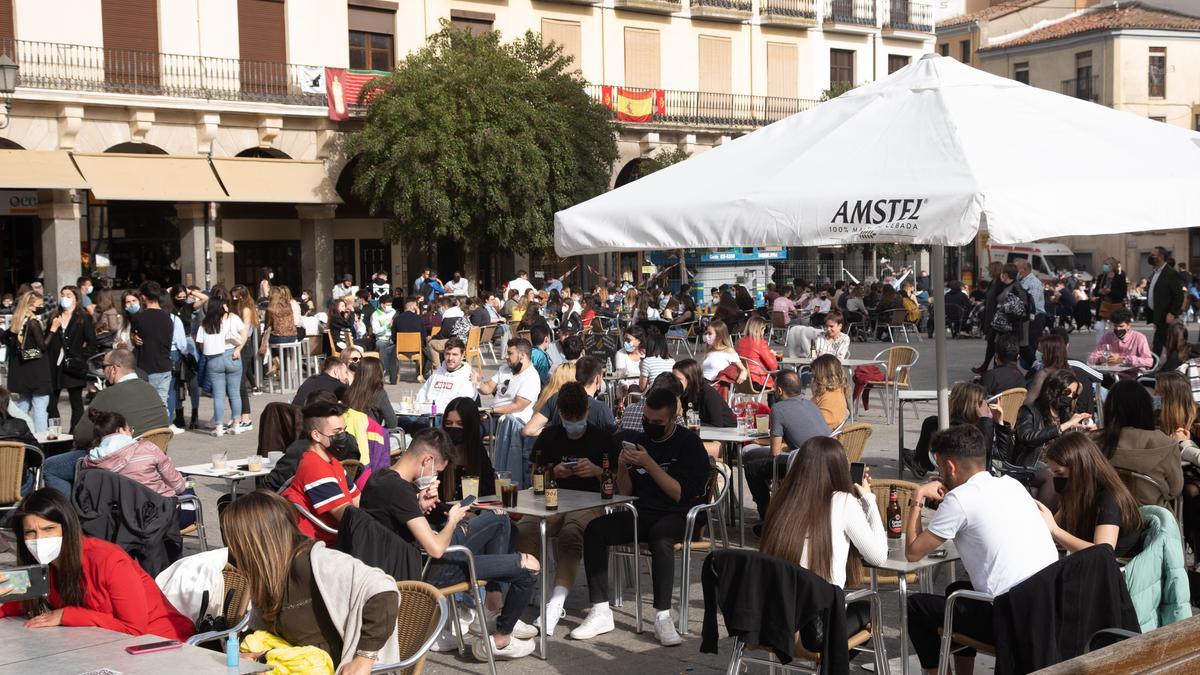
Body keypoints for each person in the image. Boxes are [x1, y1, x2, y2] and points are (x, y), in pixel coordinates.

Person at [361, 429, 539, 661]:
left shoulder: (379, 479)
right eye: (437, 470)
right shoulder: (400, 491)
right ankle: (500, 640)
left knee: (499, 517)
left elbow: (398, 524)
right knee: (529, 567)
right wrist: (453, 520)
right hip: (426, 570)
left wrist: (421, 505)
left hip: (405, 563)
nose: (435, 476)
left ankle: (491, 609)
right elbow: (436, 548)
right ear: (427, 460)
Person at [904, 425, 1059, 675]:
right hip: (1047, 607)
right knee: (957, 590)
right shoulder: (1012, 485)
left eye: (940, 467)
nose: (940, 474)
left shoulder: (959, 501)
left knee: (915, 607)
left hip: (1010, 618)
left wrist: (918, 496)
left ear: (951, 466)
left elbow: (912, 552)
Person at [570, 388, 710, 647]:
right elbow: (625, 492)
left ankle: (662, 616)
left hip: (680, 514)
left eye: (657, 422)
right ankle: (600, 610)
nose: (650, 425)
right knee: (595, 529)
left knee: (661, 536)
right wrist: (622, 465)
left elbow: (678, 494)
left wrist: (649, 464)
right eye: (646, 419)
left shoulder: (689, 444)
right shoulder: (639, 440)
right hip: (643, 511)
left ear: (672, 419)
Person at [221, 490, 398, 673]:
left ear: (254, 544)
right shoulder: (268, 574)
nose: (232, 553)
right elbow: (260, 629)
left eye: (234, 544)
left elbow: (384, 591)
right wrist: (247, 653)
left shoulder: (314, 563)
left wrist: (364, 659)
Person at [1, 488, 194, 641]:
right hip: (100, 646)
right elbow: (15, 605)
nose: (39, 539)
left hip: (160, 644)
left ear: (68, 527)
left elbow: (134, 628)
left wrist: (67, 615)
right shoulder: (39, 566)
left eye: (49, 529)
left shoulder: (108, 559)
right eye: (30, 533)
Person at [519, 382, 621, 635]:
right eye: (568, 418)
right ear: (560, 414)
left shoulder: (602, 438)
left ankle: (556, 601)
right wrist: (554, 471)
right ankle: (523, 591)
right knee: (525, 529)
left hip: (591, 501)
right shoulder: (550, 435)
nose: (573, 423)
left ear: (587, 410)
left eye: (578, 417)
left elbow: (619, 480)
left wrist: (598, 472)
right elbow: (535, 476)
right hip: (554, 499)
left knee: (572, 533)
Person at [760, 436, 886, 597]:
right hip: (821, 610)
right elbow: (878, 557)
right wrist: (868, 499)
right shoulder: (844, 501)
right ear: (839, 468)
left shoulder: (782, 498)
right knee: (866, 610)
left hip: (781, 606)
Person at [77, 408, 194, 525]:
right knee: (187, 483)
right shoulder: (148, 449)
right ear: (121, 430)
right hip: (158, 518)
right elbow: (178, 487)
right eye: (130, 429)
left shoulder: (90, 462)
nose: (131, 433)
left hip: (118, 522)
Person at [1038, 432, 1145, 557]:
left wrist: (1055, 531)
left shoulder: (1109, 497)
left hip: (1117, 569)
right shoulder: (1078, 494)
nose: (1056, 480)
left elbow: (1103, 552)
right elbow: (1052, 526)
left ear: (1080, 468)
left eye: (1060, 474)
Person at [742, 370, 830, 522]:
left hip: (804, 464)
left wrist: (758, 443)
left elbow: (775, 453)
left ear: (780, 390)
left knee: (751, 464)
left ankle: (767, 519)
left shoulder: (778, 408)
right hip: (826, 461)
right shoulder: (811, 405)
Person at [281, 401, 361, 543]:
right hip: (324, 546)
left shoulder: (332, 462)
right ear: (316, 435)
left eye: (344, 430)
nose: (343, 436)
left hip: (339, 539)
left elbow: (358, 500)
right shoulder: (315, 468)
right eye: (337, 432)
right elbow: (348, 516)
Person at [1096, 380, 1183, 506]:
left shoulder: (1094, 442)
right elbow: (1175, 489)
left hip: (1102, 516)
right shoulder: (1165, 442)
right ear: (1146, 407)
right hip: (1152, 518)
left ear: (1109, 408)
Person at [1013, 368, 1092, 508]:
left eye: (1073, 395)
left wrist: (1086, 433)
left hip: (1055, 464)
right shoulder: (1030, 411)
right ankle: (1045, 524)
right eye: (1067, 392)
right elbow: (1027, 437)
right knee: (1053, 475)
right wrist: (1064, 426)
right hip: (1031, 465)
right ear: (1054, 388)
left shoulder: (1064, 414)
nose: (1069, 397)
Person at [904, 382, 1011, 479]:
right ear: (975, 406)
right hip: (971, 482)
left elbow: (1000, 456)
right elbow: (998, 455)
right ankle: (917, 460)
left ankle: (917, 462)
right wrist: (992, 422)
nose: (987, 407)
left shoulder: (981, 426)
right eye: (984, 403)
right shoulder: (974, 428)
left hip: (970, 483)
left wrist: (999, 422)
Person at [523, 355, 616, 436]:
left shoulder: (555, 398)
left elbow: (528, 430)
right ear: (598, 378)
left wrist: (553, 433)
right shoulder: (601, 409)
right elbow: (613, 444)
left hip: (559, 455)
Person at [194, 298, 247, 437]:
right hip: (232, 356)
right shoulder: (233, 318)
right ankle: (236, 425)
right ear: (222, 306)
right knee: (235, 394)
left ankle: (218, 427)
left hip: (213, 359)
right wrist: (239, 349)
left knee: (218, 395)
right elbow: (244, 334)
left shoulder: (205, 323)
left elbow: (200, 343)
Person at [46, 285, 96, 431]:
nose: (65, 298)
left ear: (76, 298)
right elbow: (47, 340)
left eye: (69, 295)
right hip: (55, 364)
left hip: (74, 364)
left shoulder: (83, 317)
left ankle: (75, 434)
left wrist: (81, 357)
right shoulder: (54, 316)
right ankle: (55, 433)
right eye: (63, 295)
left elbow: (92, 342)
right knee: (51, 403)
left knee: (76, 403)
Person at [2, 291, 51, 432]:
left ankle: (16, 433)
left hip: (21, 372)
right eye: (40, 304)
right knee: (40, 408)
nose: (42, 307)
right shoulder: (33, 323)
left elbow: (5, 339)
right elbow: (43, 346)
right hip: (37, 372)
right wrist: (52, 331)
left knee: (22, 405)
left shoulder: (16, 322)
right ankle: (41, 441)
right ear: (31, 306)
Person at [438, 396, 496, 501]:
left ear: (471, 426)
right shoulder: (438, 453)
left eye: (460, 424)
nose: (453, 428)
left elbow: (489, 493)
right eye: (449, 423)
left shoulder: (478, 453)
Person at [128, 282, 175, 411]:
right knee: (162, 403)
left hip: (146, 367)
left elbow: (134, 338)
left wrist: (134, 338)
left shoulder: (138, 318)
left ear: (143, 297)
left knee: (146, 406)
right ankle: (163, 428)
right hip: (165, 366)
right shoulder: (168, 318)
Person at [478, 338, 541, 425]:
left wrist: (491, 411)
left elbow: (518, 406)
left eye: (510, 353)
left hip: (510, 420)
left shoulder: (531, 377)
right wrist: (477, 382)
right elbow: (487, 388)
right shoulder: (505, 368)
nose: (506, 357)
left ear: (522, 355)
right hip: (493, 415)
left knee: (474, 429)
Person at [415, 337, 478, 414]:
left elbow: (460, 406)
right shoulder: (437, 374)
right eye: (447, 354)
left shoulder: (468, 376)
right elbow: (421, 394)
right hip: (425, 414)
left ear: (462, 356)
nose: (450, 358)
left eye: (455, 354)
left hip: (446, 418)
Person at [229, 285, 260, 433]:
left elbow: (245, 332)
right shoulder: (234, 308)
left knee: (240, 384)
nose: (234, 299)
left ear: (243, 296)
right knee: (236, 384)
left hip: (243, 346)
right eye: (233, 296)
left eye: (237, 296)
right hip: (237, 346)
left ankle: (246, 418)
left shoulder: (246, 310)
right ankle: (239, 417)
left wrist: (238, 349)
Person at [674, 358, 736, 429]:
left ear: (690, 378)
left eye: (678, 379)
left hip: (726, 433)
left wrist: (690, 424)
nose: (674, 382)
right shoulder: (685, 393)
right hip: (703, 432)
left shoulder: (708, 394)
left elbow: (717, 425)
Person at [342, 356, 397, 430]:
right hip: (371, 436)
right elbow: (392, 423)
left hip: (351, 436)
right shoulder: (379, 394)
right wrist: (381, 430)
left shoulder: (349, 391)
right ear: (378, 374)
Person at [1148, 246, 1184, 354]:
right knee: (1162, 341)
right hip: (1157, 313)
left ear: (1161, 257)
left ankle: (1155, 365)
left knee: (1160, 341)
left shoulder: (1170, 273)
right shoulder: (1156, 272)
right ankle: (1161, 364)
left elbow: (1179, 295)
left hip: (1166, 314)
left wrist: (1172, 312)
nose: (1150, 257)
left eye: (1153, 255)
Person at [390, 297, 429, 378]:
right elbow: (424, 336)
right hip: (417, 349)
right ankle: (422, 373)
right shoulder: (419, 318)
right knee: (426, 352)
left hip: (400, 349)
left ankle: (393, 377)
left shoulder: (397, 319)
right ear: (413, 306)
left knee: (389, 351)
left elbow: (393, 337)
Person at [736, 315, 778, 389]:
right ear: (761, 329)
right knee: (781, 377)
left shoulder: (739, 342)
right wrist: (772, 355)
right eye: (764, 329)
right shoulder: (760, 342)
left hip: (741, 380)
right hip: (757, 380)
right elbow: (773, 366)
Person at [700, 319, 747, 384]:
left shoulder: (728, 351)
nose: (707, 336)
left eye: (710, 333)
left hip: (714, 385)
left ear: (719, 335)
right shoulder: (710, 350)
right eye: (706, 333)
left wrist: (743, 373)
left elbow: (742, 369)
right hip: (703, 382)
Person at [1092, 257, 1128, 342]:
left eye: (1106, 264)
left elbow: (1123, 293)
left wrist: (1110, 292)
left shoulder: (1120, 277)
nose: (1104, 266)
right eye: (1104, 264)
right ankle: (1099, 347)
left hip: (1115, 305)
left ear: (1112, 266)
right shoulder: (1101, 277)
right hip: (1103, 305)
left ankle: (1114, 347)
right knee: (1099, 327)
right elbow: (1095, 291)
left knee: (1114, 328)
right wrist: (1100, 291)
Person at [809, 354, 849, 429]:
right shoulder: (838, 391)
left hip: (820, 437)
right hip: (828, 435)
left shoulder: (827, 397)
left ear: (821, 377)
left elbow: (821, 427)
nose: (812, 379)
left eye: (814, 376)